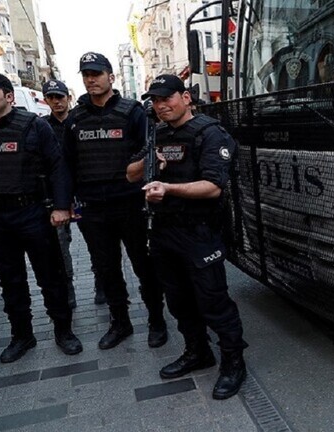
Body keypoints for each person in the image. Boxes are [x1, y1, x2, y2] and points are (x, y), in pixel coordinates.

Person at [127, 75, 248, 400]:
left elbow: (213, 186)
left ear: (186, 97)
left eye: (166, 98)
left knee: (213, 301)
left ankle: (234, 362)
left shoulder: (210, 133)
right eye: (155, 100)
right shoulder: (158, 133)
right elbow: (129, 173)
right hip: (164, 232)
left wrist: (167, 187)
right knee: (178, 300)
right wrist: (150, 162)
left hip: (199, 232)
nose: (160, 105)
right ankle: (197, 351)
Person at [0, 72, 82, 363]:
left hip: (32, 213)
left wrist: (61, 207)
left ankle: (63, 331)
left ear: (9, 96)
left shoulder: (35, 126)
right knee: (11, 282)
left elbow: (57, 168)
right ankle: (22, 335)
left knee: (50, 277)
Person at [64, 52, 167, 350]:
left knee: (144, 266)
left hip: (130, 204)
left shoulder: (132, 112)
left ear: (111, 77)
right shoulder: (75, 118)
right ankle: (120, 322)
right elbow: (67, 163)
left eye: (96, 73)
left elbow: (148, 152)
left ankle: (156, 320)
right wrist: (65, 201)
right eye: (86, 75)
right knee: (106, 269)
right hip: (93, 207)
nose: (91, 79)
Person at [42, 79, 77, 309]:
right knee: (60, 243)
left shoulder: (79, 121)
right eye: (51, 98)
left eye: (60, 97)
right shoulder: (42, 126)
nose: (56, 102)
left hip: (83, 190)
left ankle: (102, 282)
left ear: (68, 98)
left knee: (98, 244)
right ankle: (68, 287)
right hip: (56, 194)